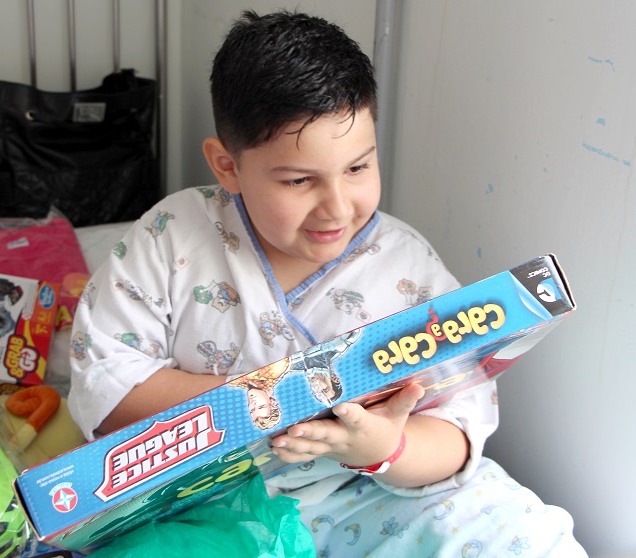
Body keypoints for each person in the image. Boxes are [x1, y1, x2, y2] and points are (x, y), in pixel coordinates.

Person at [69, 9, 585, 556]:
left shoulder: (408, 268)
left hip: (358, 496)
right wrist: (278, 399)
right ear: (227, 166)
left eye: (358, 168)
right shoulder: (173, 235)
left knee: (519, 530)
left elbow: (459, 433)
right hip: (207, 505)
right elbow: (106, 387)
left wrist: (384, 447)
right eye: (299, 180)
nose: (337, 207)